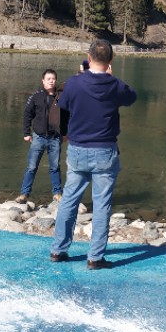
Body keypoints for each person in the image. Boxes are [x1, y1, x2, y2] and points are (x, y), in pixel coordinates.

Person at [49, 39, 137, 270]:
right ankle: (95, 257)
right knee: (102, 204)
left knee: (69, 199)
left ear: (88, 59)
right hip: (104, 151)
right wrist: (111, 77)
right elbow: (132, 96)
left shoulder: (74, 84)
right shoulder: (115, 85)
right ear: (110, 61)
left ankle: (59, 250)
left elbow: (63, 105)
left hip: (78, 149)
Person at [17, 69, 69, 204]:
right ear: (43, 81)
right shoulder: (36, 96)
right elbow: (27, 115)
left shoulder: (61, 96)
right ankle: (24, 194)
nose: (51, 81)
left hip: (55, 138)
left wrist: (65, 133)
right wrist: (26, 133)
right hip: (38, 137)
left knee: (55, 167)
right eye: (48, 79)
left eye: (53, 79)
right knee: (32, 167)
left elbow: (66, 116)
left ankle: (57, 193)